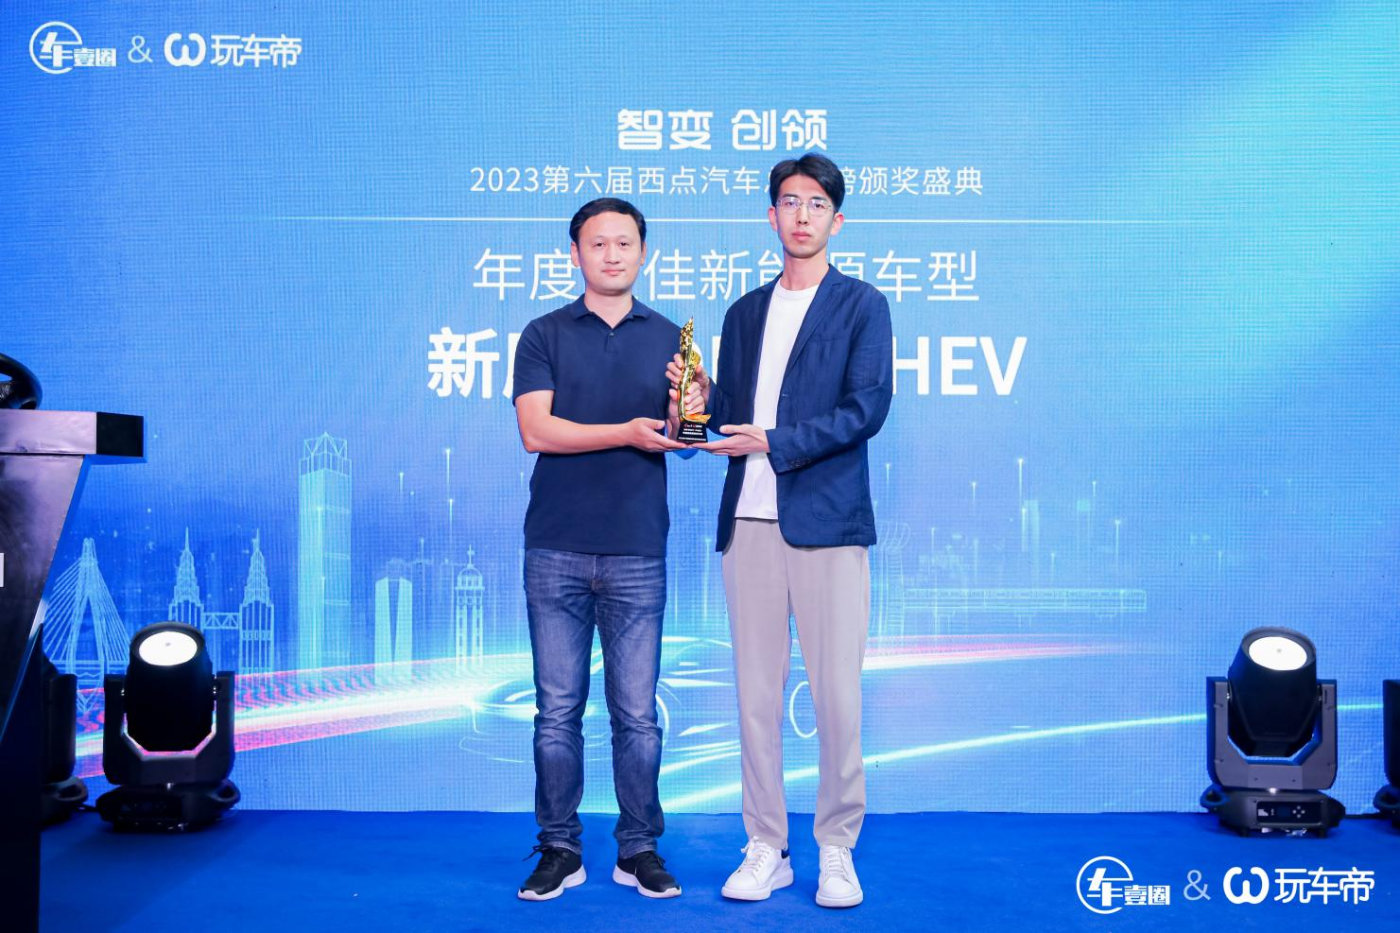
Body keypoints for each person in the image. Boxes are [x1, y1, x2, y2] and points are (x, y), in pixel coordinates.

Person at [668, 153, 893, 908]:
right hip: (749, 523)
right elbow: (730, 415)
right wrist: (700, 398)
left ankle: (837, 847)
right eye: (790, 201)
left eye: (816, 203)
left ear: (837, 220)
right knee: (755, 699)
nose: (802, 214)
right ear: (771, 215)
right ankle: (767, 843)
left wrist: (776, 440)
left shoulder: (861, 305)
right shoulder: (743, 313)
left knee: (836, 699)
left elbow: (866, 408)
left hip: (827, 522)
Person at [512, 197, 688, 901]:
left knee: (636, 716)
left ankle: (638, 849)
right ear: (575, 254)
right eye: (597, 243)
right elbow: (536, 430)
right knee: (556, 713)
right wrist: (626, 431)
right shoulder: (544, 333)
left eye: (624, 243)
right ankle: (559, 847)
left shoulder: (672, 338)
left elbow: (685, 439)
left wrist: (685, 409)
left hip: (637, 547)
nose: (611, 255)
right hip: (555, 544)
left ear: (643, 253)